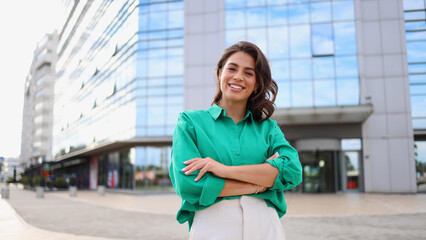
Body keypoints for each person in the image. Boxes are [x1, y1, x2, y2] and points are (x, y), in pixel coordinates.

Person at [169, 41, 302, 240]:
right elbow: (189, 184)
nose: (238, 77)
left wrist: (223, 170)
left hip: (266, 227)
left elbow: (291, 171)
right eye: (232, 68)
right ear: (220, 73)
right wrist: (259, 184)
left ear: (256, 84)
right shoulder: (190, 122)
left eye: (249, 73)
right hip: (212, 226)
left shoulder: (269, 129)